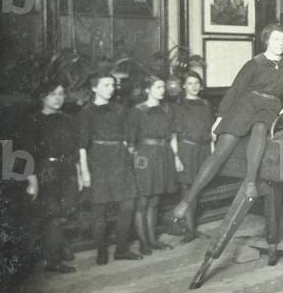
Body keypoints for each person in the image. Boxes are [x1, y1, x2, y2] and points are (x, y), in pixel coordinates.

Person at [171, 24, 283, 238]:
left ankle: (250, 182)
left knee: (260, 128)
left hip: (269, 107)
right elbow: (235, 90)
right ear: (267, 41)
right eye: (276, 39)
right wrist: (220, 118)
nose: (280, 43)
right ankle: (188, 199)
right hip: (245, 105)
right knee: (221, 151)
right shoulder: (254, 64)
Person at [79, 73, 141, 264]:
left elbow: (128, 137)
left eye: (112, 85)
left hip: (120, 159)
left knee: (128, 204)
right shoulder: (87, 111)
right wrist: (85, 171)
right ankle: (101, 251)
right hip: (98, 160)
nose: (111, 89)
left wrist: (130, 158)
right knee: (99, 208)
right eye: (106, 85)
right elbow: (82, 145)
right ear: (94, 88)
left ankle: (121, 249)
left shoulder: (120, 109)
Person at [24, 80, 81, 273]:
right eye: (52, 94)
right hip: (46, 170)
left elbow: (74, 149)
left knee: (65, 212)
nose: (58, 98)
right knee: (53, 215)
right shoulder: (33, 121)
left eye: (61, 94)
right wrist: (32, 181)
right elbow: (27, 153)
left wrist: (78, 173)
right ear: (43, 97)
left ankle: (58, 245)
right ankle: (53, 261)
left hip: (67, 169)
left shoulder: (68, 119)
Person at [129, 76, 179, 256]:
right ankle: (143, 242)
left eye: (163, 87)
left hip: (163, 156)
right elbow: (131, 141)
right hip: (145, 157)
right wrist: (134, 161)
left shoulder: (167, 109)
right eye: (158, 87)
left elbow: (172, 135)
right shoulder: (138, 111)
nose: (162, 90)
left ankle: (152, 240)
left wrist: (176, 157)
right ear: (147, 90)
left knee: (155, 200)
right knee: (143, 201)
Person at [173, 73, 214, 209]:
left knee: (199, 185)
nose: (194, 87)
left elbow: (211, 131)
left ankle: (190, 219)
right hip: (187, 150)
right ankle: (187, 221)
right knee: (187, 188)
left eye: (197, 83)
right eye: (190, 83)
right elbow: (174, 134)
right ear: (184, 86)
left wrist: (212, 152)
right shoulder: (178, 105)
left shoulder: (206, 104)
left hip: (204, 149)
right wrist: (176, 157)